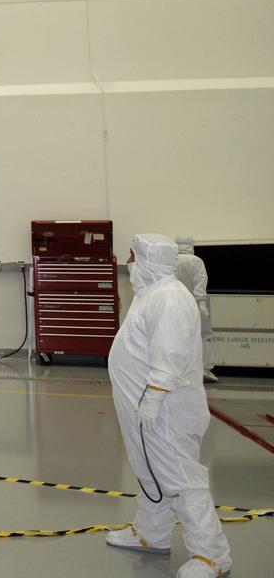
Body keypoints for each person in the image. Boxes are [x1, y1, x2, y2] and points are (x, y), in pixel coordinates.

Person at [105, 234, 231, 578]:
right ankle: (151, 533)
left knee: (180, 477)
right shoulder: (151, 294)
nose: (128, 261)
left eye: (132, 255)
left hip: (167, 411)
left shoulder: (170, 297)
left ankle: (212, 555)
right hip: (145, 408)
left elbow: (170, 353)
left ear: (147, 260)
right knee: (151, 472)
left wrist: (156, 394)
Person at [176, 236, 218, 383]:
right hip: (195, 304)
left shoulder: (172, 261)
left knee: (180, 336)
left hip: (177, 304)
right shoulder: (195, 261)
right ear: (190, 245)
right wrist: (202, 304)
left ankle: (182, 370)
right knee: (204, 335)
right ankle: (205, 370)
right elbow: (200, 282)